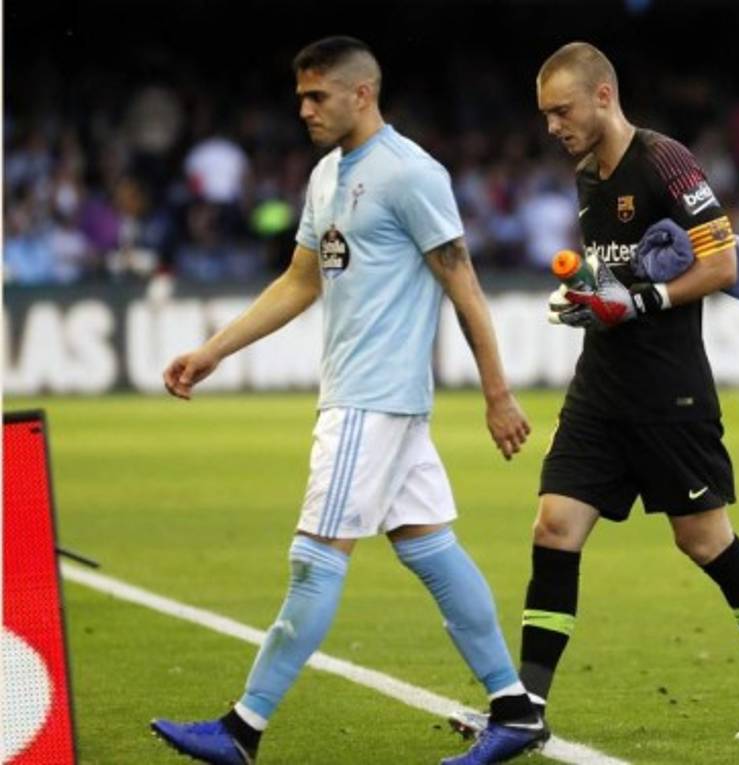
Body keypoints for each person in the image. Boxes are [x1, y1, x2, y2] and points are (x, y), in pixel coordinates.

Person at [149, 36, 547, 765]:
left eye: (317, 96)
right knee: (430, 547)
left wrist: (498, 393)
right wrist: (213, 350)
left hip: (373, 400)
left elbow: (464, 285)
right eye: (300, 96)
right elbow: (302, 280)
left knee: (313, 560)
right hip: (370, 399)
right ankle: (515, 708)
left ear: (362, 93)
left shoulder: (410, 173)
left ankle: (242, 728)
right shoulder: (327, 174)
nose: (303, 110)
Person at [452, 41, 739, 743]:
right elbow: (619, 274)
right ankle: (525, 707)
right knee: (554, 527)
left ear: (603, 97)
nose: (551, 126)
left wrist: (637, 303)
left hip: (669, 394)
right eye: (545, 115)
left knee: (704, 540)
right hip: (601, 388)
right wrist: (591, 296)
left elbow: (725, 263)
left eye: (561, 111)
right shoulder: (589, 175)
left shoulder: (665, 161)